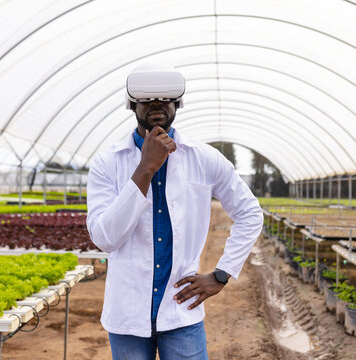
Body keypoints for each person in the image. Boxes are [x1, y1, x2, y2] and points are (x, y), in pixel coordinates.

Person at [86, 63, 263, 359]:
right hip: (127, 317)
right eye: (147, 100)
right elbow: (105, 238)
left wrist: (222, 273)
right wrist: (145, 168)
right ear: (132, 105)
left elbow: (250, 213)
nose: (157, 105)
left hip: (181, 311)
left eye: (165, 99)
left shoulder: (204, 158)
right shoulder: (108, 162)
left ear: (177, 103)